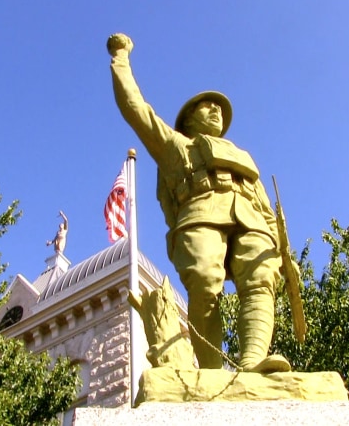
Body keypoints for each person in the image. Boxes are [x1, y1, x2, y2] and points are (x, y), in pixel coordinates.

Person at [108, 33, 289, 373]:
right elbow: (135, 108)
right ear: (188, 119)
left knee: (261, 278)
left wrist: (279, 246)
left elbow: (264, 203)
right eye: (207, 106)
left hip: (252, 220)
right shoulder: (174, 145)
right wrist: (120, 57)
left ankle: (253, 361)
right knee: (204, 280)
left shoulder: (242, 156)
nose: (216, 110)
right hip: (200, 214)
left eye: (219, 107)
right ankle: (211, 372)